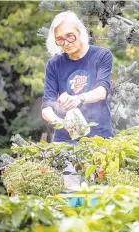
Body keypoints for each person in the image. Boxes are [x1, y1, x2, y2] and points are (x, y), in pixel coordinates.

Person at [41, 10, 114, 190]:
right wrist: (60, 122)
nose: (66, 43)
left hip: (99, 139)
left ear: (80, 32)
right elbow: (46, 107)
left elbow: (101, 91)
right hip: (65, 142)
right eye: (60, 39)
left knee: (101, 194)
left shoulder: (101, 56)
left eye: (70, 36)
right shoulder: (54, 64)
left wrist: (78, 98)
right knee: (69, 196)